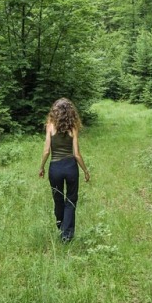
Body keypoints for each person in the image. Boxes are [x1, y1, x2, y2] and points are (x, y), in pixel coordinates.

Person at [39, 98, 90, 242]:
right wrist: (85, 171)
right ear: (70, 112)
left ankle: (61, 226)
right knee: (71, 199)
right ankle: (66, 234)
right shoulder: (73, 127)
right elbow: (77, 154)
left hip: (55, 168)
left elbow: (46, 151)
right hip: (71, 168)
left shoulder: (50, 126)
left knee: (58, 199)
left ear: (55, 111)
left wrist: (41, 167)